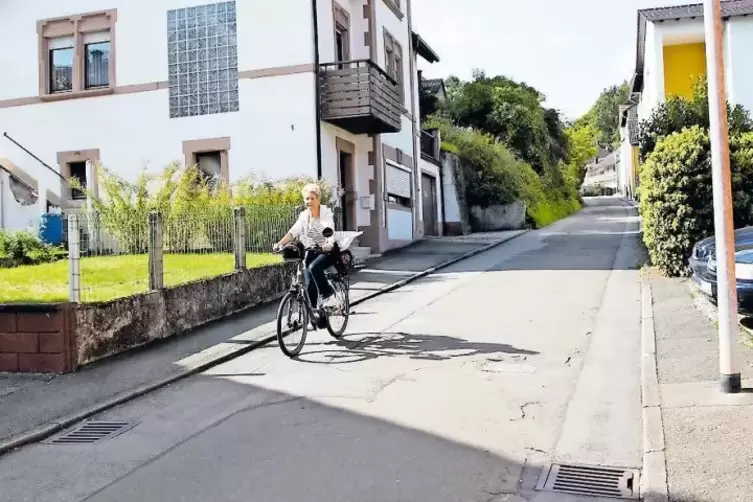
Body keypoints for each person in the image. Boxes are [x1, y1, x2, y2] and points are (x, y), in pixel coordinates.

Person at [274, 183, 339, 310]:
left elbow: (328, 228)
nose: (309, 201)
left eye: (312, 198)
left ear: (318, 199)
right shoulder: (304, 216)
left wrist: (328, 243)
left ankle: (328, 295)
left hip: (327, 250)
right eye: (307, 198)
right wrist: (280, 244)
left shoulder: (325, 213)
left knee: (314, 268)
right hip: (311, 251)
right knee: (309, 283)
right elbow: (293, 231)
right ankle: (314, 313)